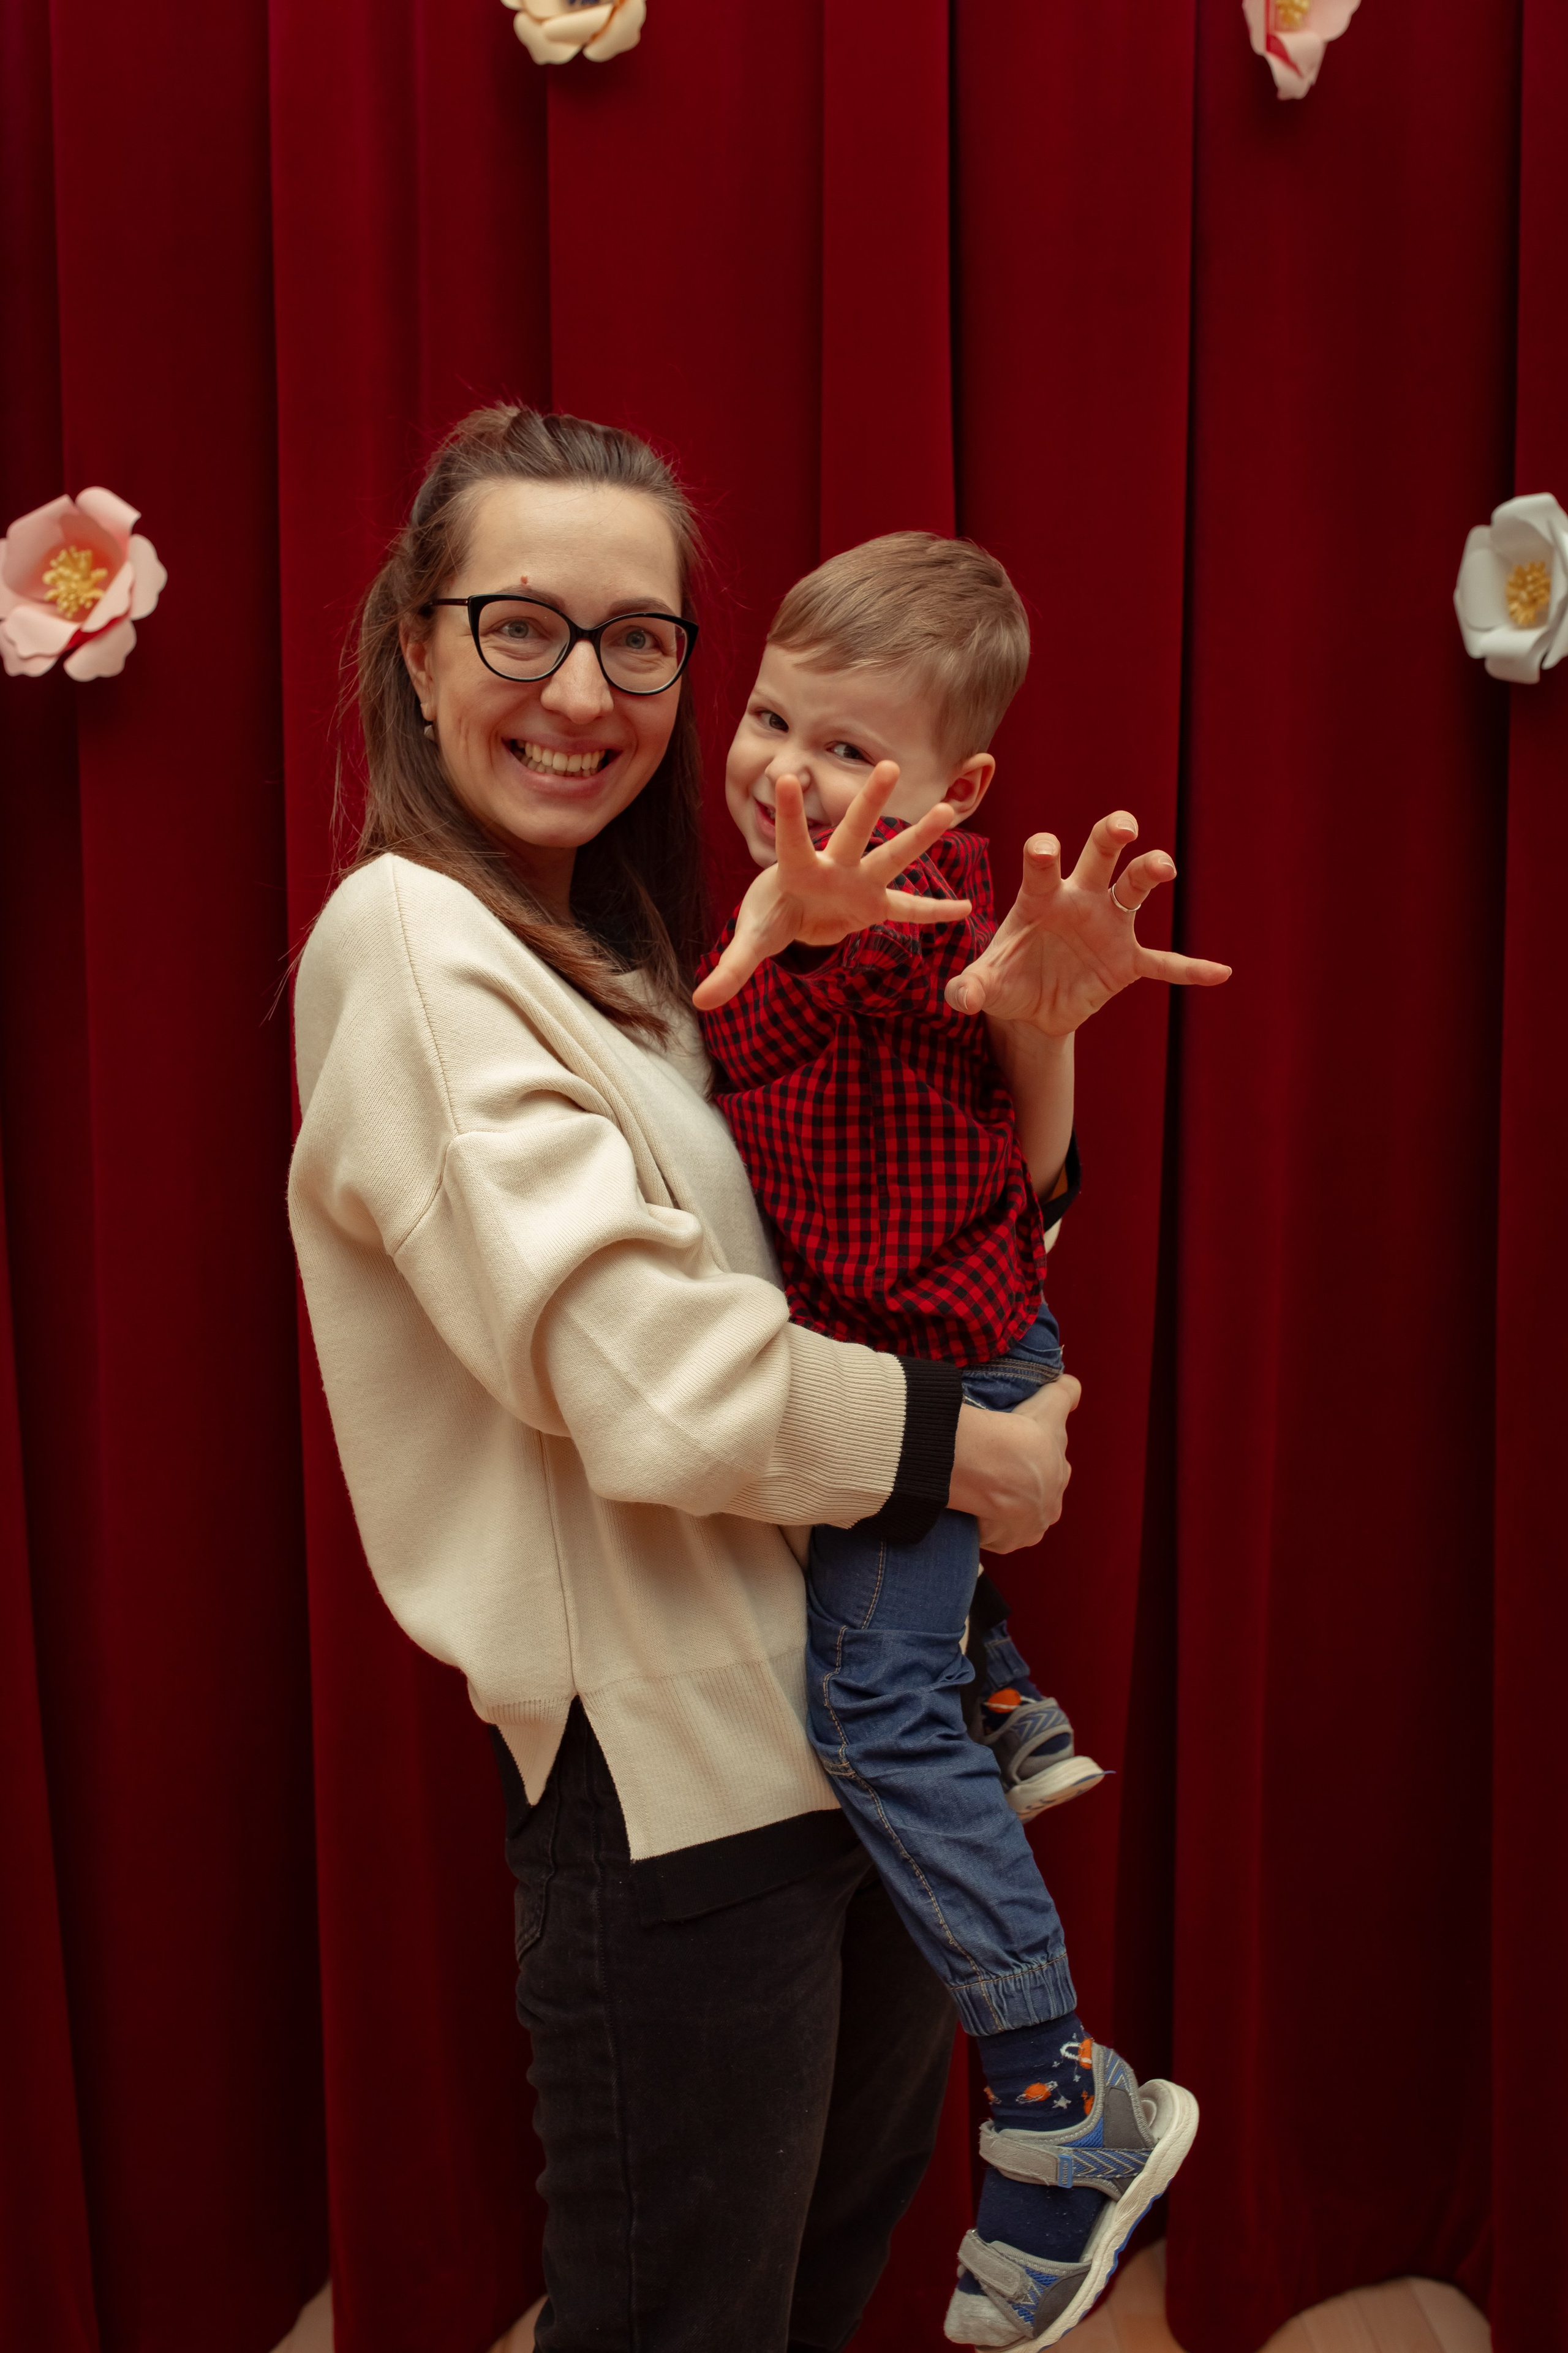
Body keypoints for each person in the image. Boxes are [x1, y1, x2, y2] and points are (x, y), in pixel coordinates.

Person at [285, 402, 1178, 2353]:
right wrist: (975, 1458)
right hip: (672, 1802)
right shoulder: (415, 946)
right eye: (520, 625)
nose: (582, 690)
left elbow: (934, 1241)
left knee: (802, 2298)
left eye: (638, 638)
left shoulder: (632, 954)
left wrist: (1040, 1038)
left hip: (844, 1747)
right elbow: (663, 1390)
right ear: (417, 647)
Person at [692, 534, 1228, 2347]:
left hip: (949, 1379)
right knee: (899, 1680)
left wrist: (1017, 1000)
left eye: (847, 749)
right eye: (772, 717)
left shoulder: (904, 913)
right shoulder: (800, 901)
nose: (792, 770)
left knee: (864, 1715)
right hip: (928, 1357)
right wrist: (789, 929)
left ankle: (1063, 2096)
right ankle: (1002, 1690)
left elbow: (794, 1039)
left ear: (953, 791)